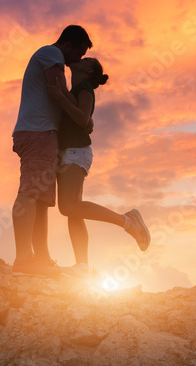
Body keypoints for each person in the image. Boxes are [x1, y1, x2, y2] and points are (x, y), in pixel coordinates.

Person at [48, 57, 150, 276]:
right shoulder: (76, 88)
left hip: (76, 151)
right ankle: (82, 266)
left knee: (68, 207)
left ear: (87, 70)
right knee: (74, 211)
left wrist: (59, 96)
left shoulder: (84, 88)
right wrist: (61, 95)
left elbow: (83, 118)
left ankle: (128, 222)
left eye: (86, 59)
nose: (81, 58)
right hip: (72, 151)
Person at [10, 24, 93, 276]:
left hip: (44, 133)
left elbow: (61, 94)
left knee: (41, 200)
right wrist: (84, 119)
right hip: (37, 131)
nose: (74, 62)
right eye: (77, 54)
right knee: (30, 192)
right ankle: (23, 258)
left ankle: (41, 258)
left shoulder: (54, 56)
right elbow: (58, 90)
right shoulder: (51, 54)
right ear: (67, 45)